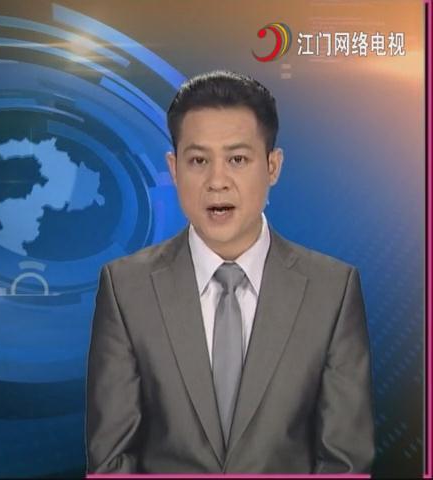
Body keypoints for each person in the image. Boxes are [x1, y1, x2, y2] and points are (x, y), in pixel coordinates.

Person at [85, 70, 375, 474]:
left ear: (273, 166)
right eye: (198, 161)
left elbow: (345, 463)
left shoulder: (332, 291)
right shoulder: (125, 289)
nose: (217, 181)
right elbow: (111, 461)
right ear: (174, 168)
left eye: (237, 159)